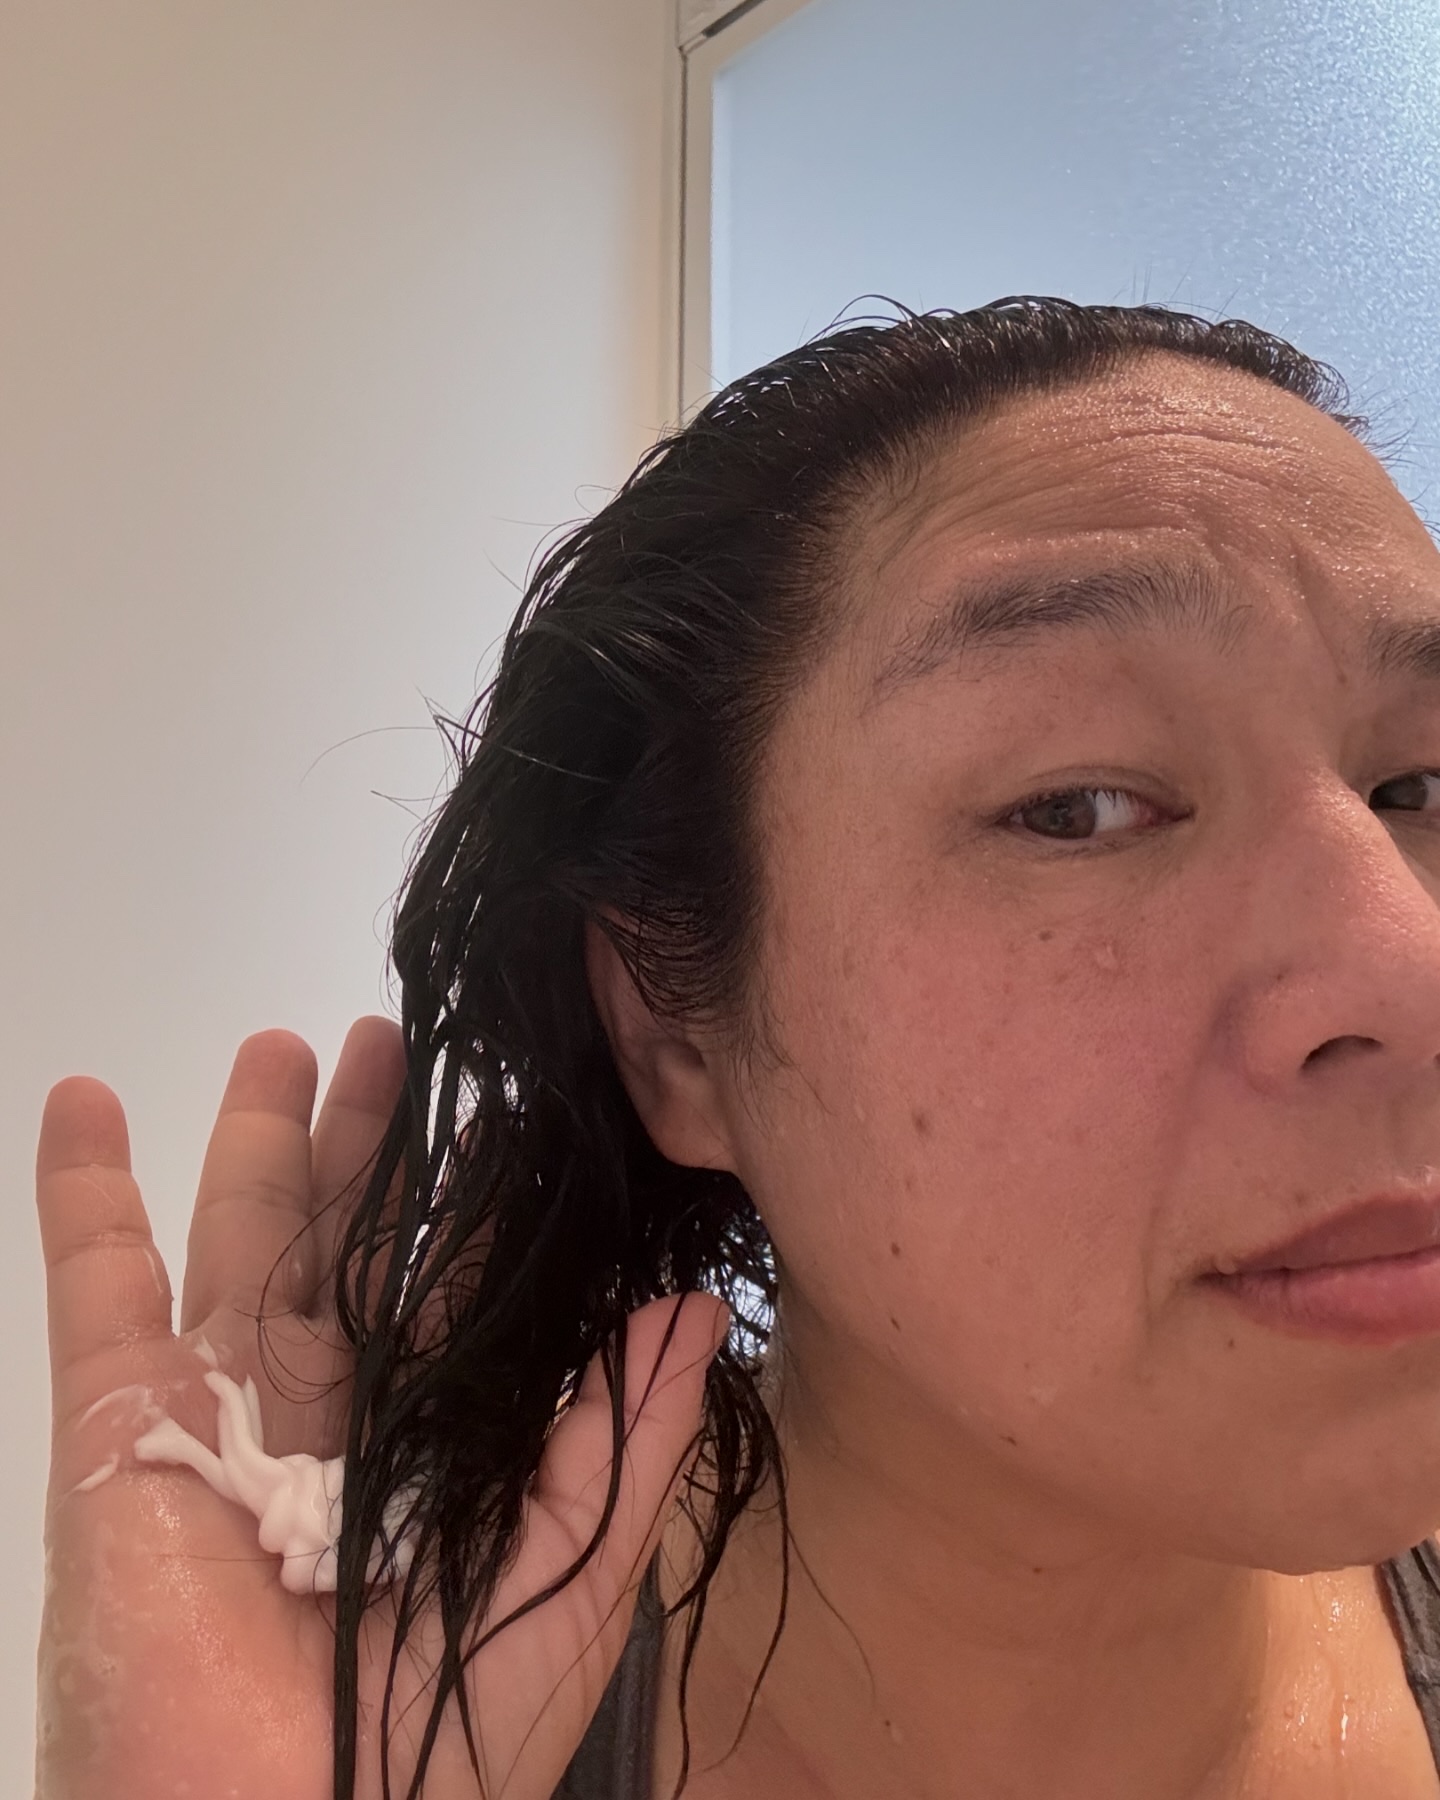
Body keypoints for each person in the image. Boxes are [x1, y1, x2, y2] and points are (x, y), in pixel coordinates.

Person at [34, 297, 1440, 1800]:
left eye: (1420, 784)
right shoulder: (428, 1710)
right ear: (677, 1036)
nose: (1412, 968)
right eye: (1077, 807)